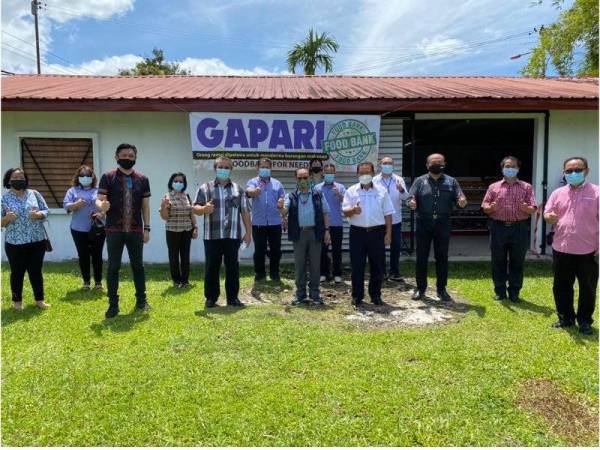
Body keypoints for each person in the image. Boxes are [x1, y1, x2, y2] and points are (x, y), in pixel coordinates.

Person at [544, 156, 598, 335]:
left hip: (588, 251)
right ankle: (565, 318)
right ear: (564, 173)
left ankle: (584, 321)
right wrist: (548, 217)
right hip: (562, 249)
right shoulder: (557, 193)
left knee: (587, 288)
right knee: (561, 286)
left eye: (577, 170)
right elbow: (547, 212)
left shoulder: (596, 193)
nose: (573, 173)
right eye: (569, 171)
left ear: (586, 171)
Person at [96, 143, 151, 318]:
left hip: (135, 230)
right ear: (116, 157)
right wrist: (102, 206)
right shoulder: (108, 176)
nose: (127, 158)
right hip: (114, 230)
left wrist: (147, 228)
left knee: (138, 267)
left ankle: (141, 301)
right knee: (113, 267)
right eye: (124, 155)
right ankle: (113, 305)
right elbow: (99, 200)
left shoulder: (142, 179)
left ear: (135, 158)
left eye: (131, 156)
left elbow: (145, 206)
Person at [193, 156, 252, 308]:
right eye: (221, 166)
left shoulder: (238, 189)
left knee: (233, 267)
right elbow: (195, 208)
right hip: (212, 236)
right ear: (215, 168)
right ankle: (211, 298)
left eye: (227, 167)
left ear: (231, 170)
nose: (224, 170)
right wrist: (204, 209)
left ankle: (233, 298)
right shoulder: (205, 188)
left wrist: (248, 233)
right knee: (212, 267)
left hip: (233, 236)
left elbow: (245, 212)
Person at [408, 153, 467, 302]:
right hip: (423, 223)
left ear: (444, 164)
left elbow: (460, 198)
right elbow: (410, 198)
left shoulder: (451, 181)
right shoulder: (419, 181)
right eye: (433, 162)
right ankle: (420, 288)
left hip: (443, 223)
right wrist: (411, 202)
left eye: (439, 162)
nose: (436, 164)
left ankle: (442, 289)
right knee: (421, 257)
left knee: (442, 257)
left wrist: (462, 201)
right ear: (427, 165)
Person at [481, 157, 537, 302]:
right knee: (498, 260)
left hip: (519, 228)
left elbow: (533, 208)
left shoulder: (526, 187)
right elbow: (485, 207)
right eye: (507, 166)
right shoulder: (494, 187)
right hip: (498, 227)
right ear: (502, 168)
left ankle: (514, 292)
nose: (510, 168)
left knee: (517, 261)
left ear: (518, 168)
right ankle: (500, 291)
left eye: (513, 166)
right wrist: (491, 208)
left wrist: (526, 208)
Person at [343, 161, 394, 306]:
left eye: (367, 172)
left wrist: (388, 233)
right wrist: (353, 210)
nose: (364, 175)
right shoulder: (351, 191)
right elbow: (345, 210)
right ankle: (357, 296)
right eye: (361, 172)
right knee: (357, 266)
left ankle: (375, 295)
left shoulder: (382, 191)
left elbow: (388, 214)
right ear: (357, 174)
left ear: (373, 173)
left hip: (377, 233)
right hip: (357, 233)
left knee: (377, 266)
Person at [1, 167, 50, 310]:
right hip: (15, 242)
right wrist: (6, 218)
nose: (19, 180)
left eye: (21, 177)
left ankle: (39, 300)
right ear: (9, 181)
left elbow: (46, 210)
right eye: (15, 178)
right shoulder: (4, 198)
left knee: (36, 271)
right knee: (17, 272)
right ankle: (17, 302)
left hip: (36, 240)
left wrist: (39, 214)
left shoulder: (34, 194)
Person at [281, 167, 331, 305]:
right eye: (300, 178)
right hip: (299, 235)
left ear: (310, 178)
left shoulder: (318, 194)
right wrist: (280, 207)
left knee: (315, 265)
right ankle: (300, 294)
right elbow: (284, 212)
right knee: (300, 265)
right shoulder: (290, 196)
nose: (303, 180)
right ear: (295, 179)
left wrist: (327, 231)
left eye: (305, 177)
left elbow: (326, 212)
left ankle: (315, 294)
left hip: (315, 233)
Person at [63, 165, 106, 291]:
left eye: (88, 175)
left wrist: (101, 214)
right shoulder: (72, 191)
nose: (85, 178)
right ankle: (86, 282)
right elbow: (66, 206)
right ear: (78, 177)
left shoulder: (99, 191)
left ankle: (98, 283)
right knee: (83, 255)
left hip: (98, 228)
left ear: (92, 177)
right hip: (78, 229)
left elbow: (106, 207)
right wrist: (77, 204)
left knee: (97, 255)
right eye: (82, 176)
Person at [245, 158, 285, 282]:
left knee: (275, 250)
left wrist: (281, 202)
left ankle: (274, 273)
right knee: (259, 250)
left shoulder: (277, 183)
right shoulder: (253, 182)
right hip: (258, 222)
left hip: (275, 222)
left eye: (267, 167)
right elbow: (248, 192)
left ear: (270, 168)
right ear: (258, 168)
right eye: (262, 167)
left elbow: (283, 199)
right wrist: (254, 191)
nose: (265, 169)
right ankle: (260, 273)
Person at [159, 172, 198, 288]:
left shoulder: (187, 197)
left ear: (184, 184)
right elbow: (165, 217)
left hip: (187, 229)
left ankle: (185, 280)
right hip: (172, 230)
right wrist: (163, 206)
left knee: (185, 255)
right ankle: (176, 281)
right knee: (174, 256)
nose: (178, 183)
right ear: (171, 182)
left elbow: (191, 213)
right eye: (176, 181)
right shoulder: (167, 197)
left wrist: (195, 227)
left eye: (181, 181)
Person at [373, 156, 410, 282]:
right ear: (380, 165)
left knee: (395, 247)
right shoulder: (375, 180)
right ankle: (381, 272)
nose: (387, 165)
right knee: (379, 247)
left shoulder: (399, 179)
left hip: (395, 219)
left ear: (393, 165)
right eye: (385, 163)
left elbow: (406, 197)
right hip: (379, 220)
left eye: (389, 163)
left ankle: (394, 271)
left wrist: (401, 190)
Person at [315, 163, 345, 283]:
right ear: (323, 173)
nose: (329, 174)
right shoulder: (317, 188)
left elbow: (346, 201)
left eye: (331, 172)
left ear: (335, 173)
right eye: (327, 172)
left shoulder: (340, 187)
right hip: (322, 225)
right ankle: (323, 273)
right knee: (322, 250)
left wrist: (339, 194)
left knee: (337, 250)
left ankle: (337, 273)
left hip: (337, 223)